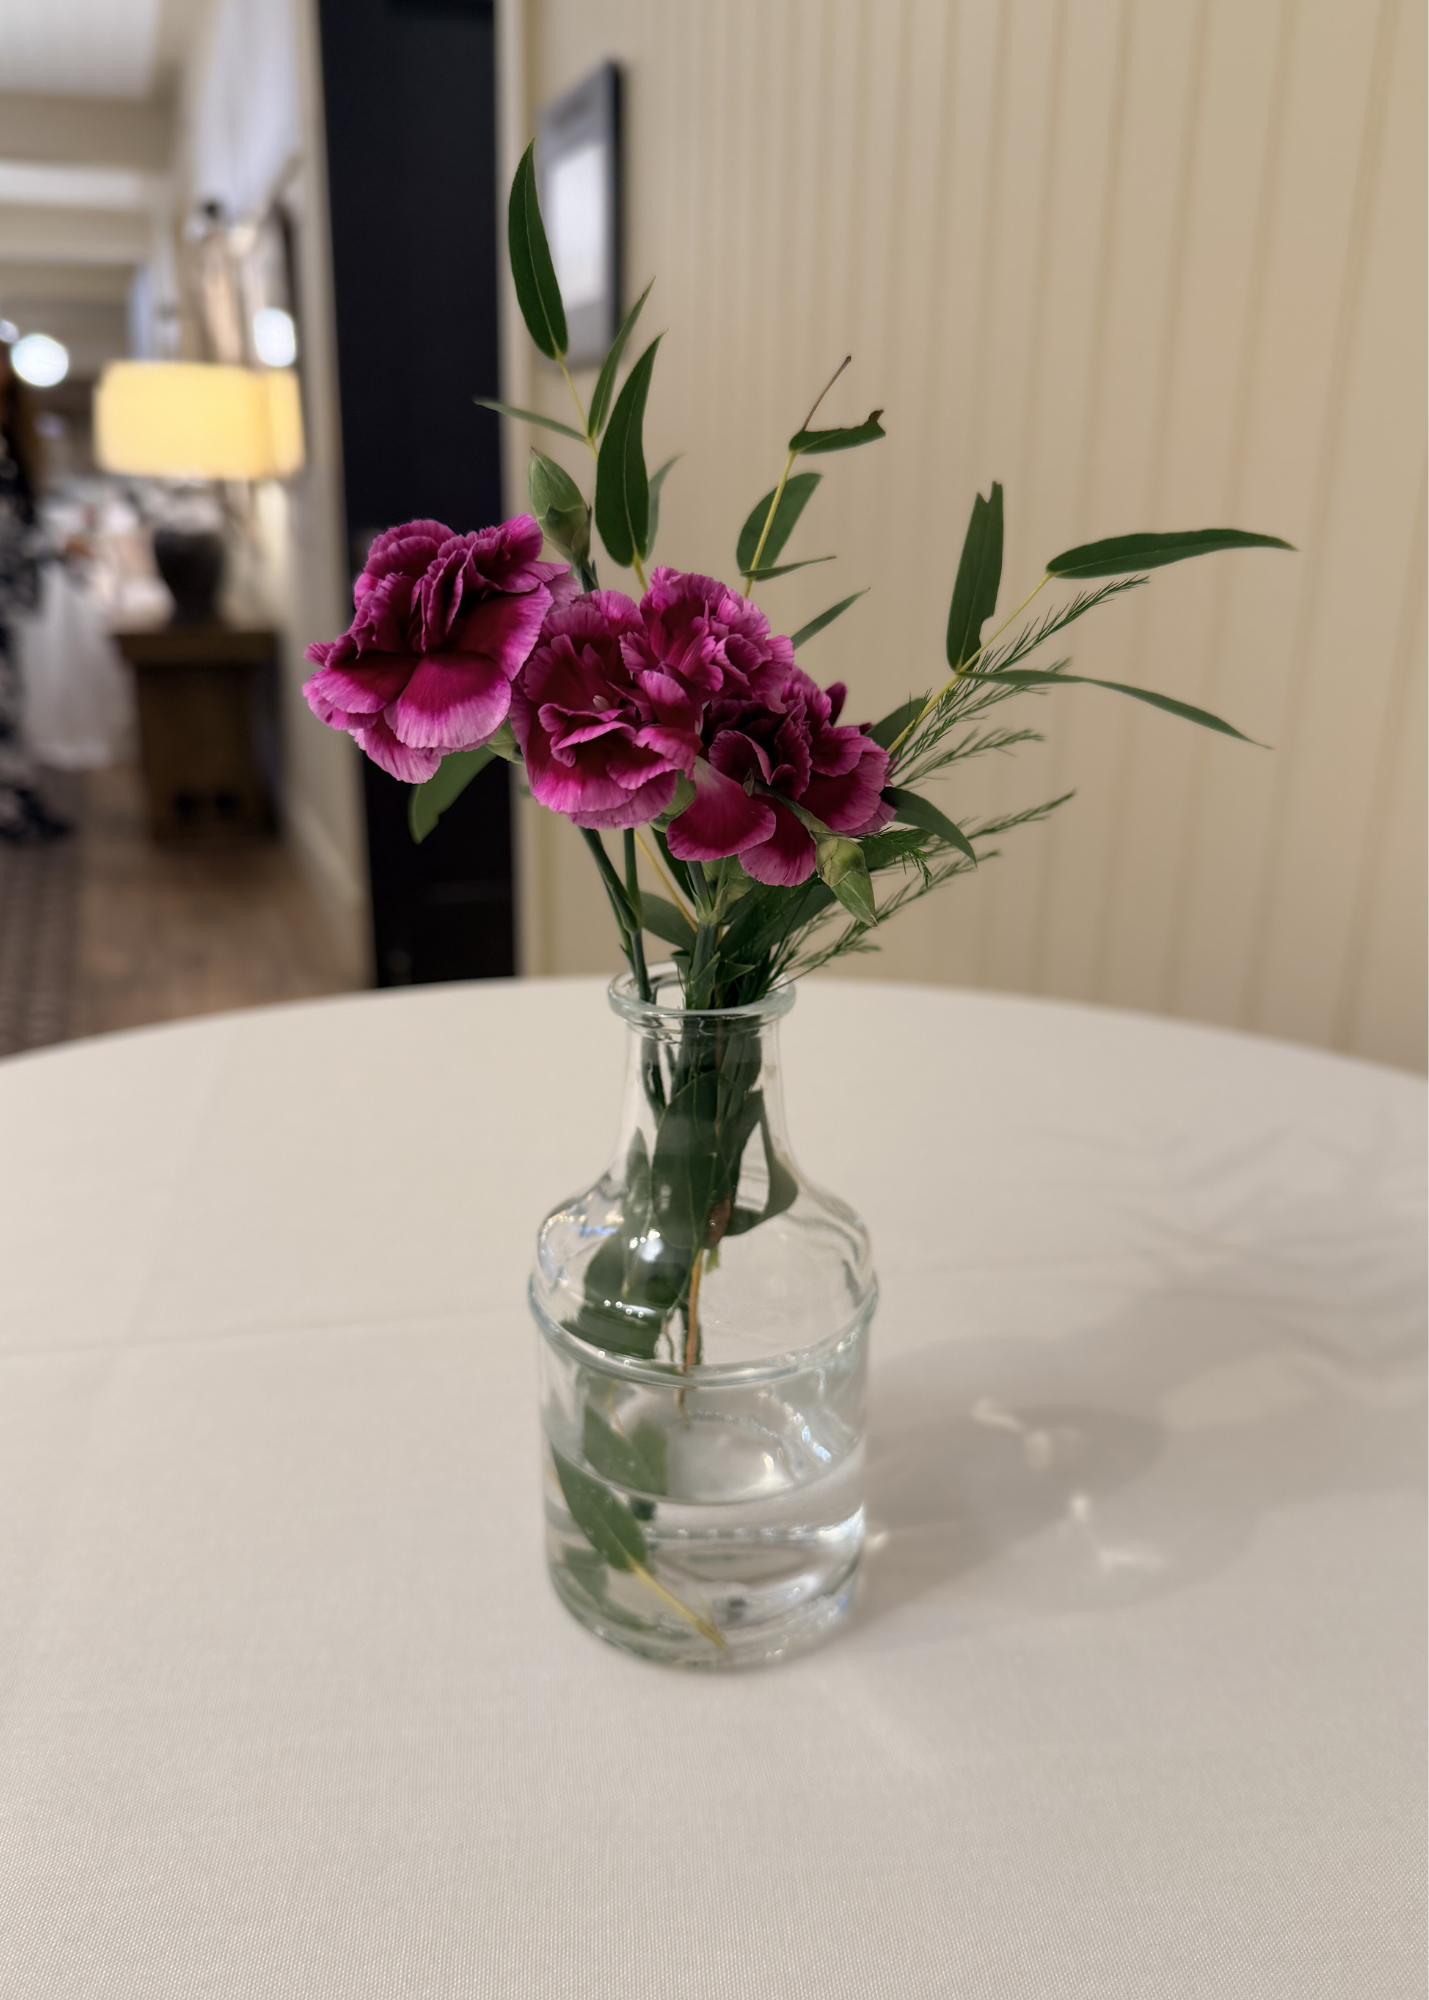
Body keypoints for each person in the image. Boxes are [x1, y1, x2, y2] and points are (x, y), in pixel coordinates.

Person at [0, 338, 70, 843]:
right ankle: (13, 803)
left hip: (8, 592)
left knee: (9, 699)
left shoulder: (12, 437)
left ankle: (16, 798)